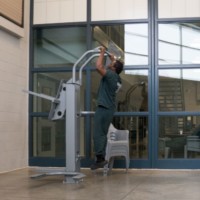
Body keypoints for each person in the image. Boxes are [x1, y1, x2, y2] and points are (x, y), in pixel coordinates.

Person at [90, 46, 124, 170]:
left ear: (114, 68)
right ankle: (101, 158)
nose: (110, 63)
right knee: (103, 133)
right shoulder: (118, 78)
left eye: (112, 63)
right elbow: (112, 67)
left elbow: (98, 66)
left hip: (104, 108)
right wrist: (112, 59)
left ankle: (99, 159)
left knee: (98, 133)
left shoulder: (111, 76)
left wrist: (102, 52)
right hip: (109, 109)